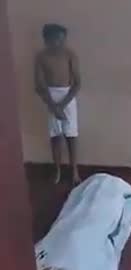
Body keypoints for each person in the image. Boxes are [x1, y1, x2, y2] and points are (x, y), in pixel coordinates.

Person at [35, 24, 81, 184]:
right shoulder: (41, 57)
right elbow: (39, 86)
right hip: (51, 96)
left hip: (67, 97)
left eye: (62, 40)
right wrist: (53, 106)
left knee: (71, 136)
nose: (59, 44)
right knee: (55, 136)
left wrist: (62, 105)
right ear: (46, 40)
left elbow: (77, 84)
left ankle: (74, 171)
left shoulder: (70, 55)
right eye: (55, 40)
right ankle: (57, 170)